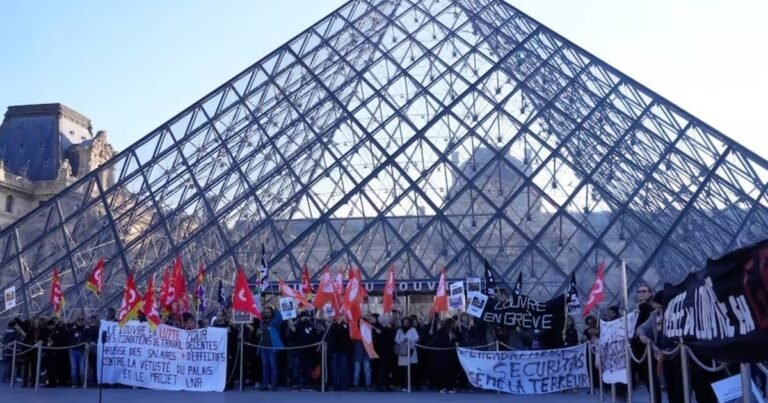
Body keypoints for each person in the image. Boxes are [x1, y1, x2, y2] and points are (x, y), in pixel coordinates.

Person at [257, 306, 283, 391]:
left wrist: (275, 307)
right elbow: (258, 334)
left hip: (272, 348)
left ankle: (273, 384)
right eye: (265, 312)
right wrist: (258, 332)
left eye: (268, 312)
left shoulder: (275, 322)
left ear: (272, 313)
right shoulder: (262, 322)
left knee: (273, 366)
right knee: (265, 366)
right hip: (263, 347)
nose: (266, 313)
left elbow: (280, 317)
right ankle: (265, 384)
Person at [394, 317, 418, 391]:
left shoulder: (413, 329)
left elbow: (417, 338)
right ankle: (403, 385)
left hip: (411, 350)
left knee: (410, 368)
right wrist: (401, 341)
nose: (406, 323)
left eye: (407, 322)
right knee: (403, 369)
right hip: (402, 351)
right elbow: (396, 339)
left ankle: (410, 384)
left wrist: (409, 340)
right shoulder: (399, 330)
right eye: (404, 322)